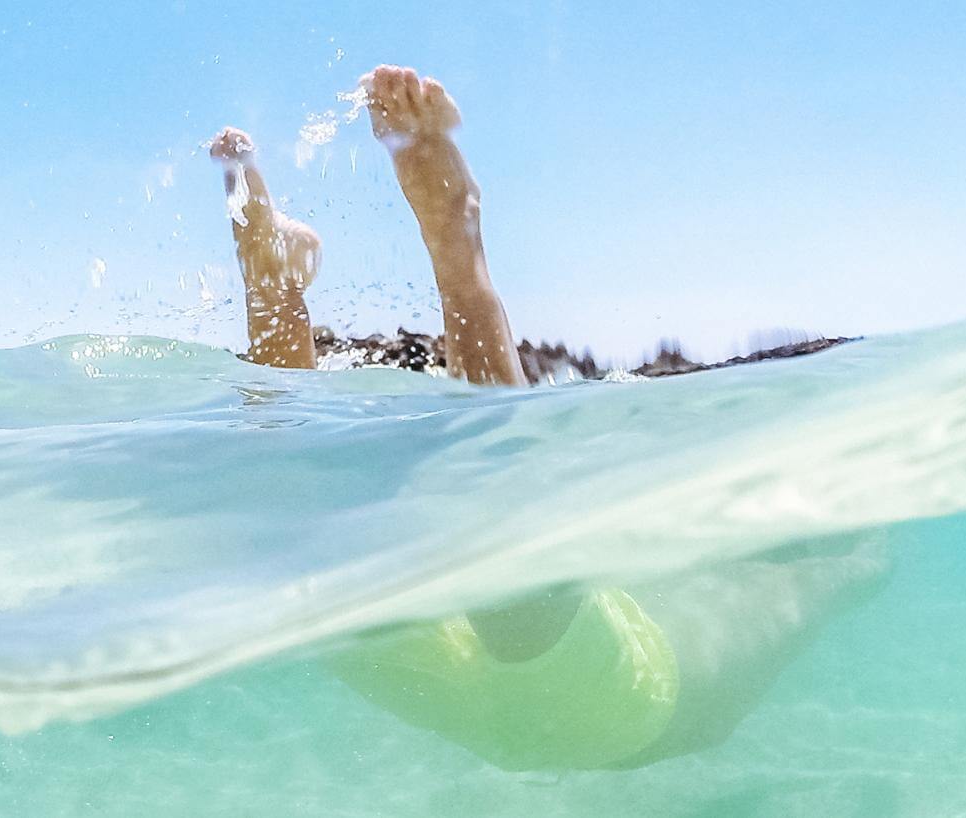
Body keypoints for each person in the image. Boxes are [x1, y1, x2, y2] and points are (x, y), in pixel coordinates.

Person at [211, 65, 887, 771]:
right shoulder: (710, 662)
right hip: (581, 714)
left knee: (315, 529)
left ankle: (286, 287)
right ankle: (420, 255)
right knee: (359, 543)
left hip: (537, 696)